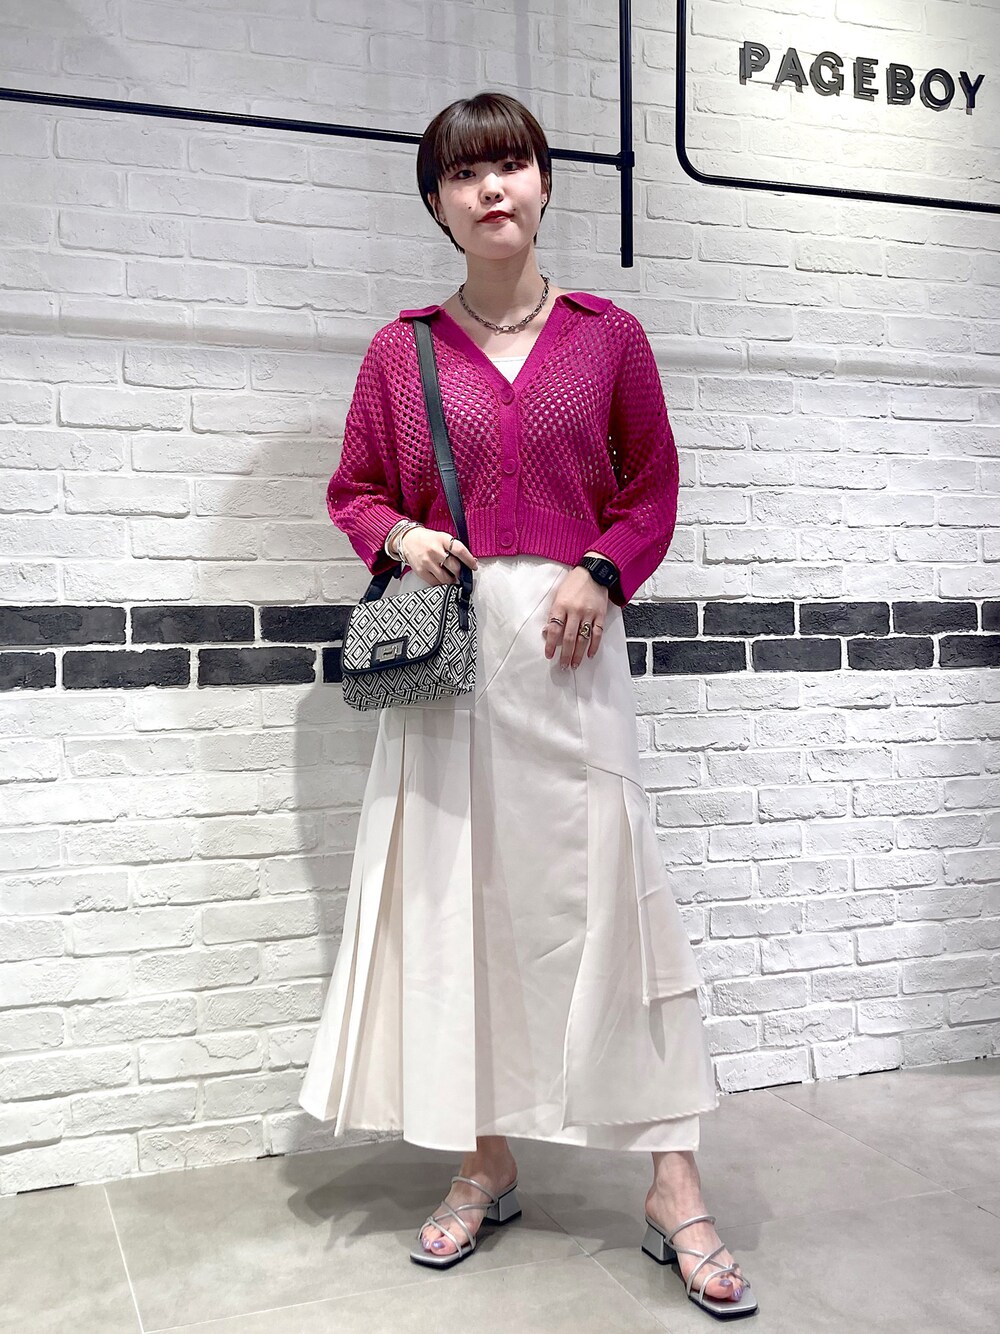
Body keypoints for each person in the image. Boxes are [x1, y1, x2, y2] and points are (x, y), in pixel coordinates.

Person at [298, 91, 756, 1319]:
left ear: (545, 183)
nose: (490, 187)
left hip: (569, 647)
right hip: (450, 660)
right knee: (464, 902)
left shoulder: (608, 336)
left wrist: (602, 570)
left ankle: (671, 1179)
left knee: (619, 894)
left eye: (510, 164)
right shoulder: (401, 350)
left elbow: (651, 485)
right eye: (465, 173)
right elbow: (352, 487)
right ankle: (484, 1155)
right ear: (437, 203)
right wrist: (396, 531)